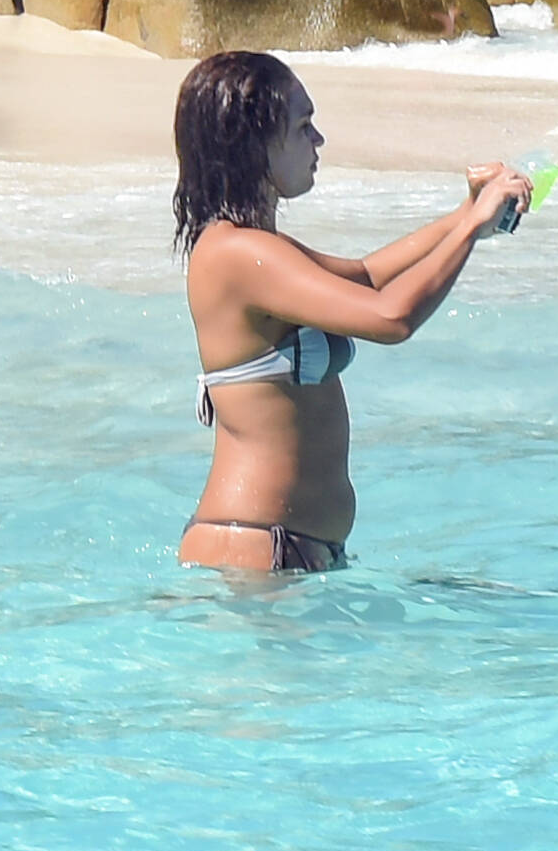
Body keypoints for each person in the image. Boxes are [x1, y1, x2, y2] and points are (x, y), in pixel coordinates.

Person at [169, 49, 526, 577]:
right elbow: (391, 317)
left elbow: (366, 276)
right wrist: (472, 228)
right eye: (304, 126)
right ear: (254, 144)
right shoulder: (235, 254)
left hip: (280, 555)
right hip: (254, 557)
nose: (319, 141)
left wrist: (462, 216)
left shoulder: (253, 248)